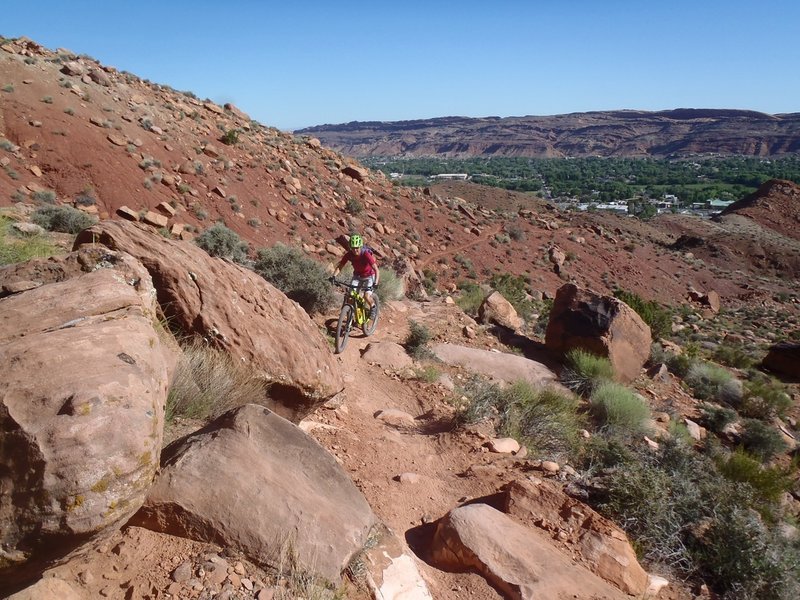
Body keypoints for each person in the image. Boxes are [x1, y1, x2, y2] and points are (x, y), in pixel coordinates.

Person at [331, 234, 379, 318]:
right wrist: (333, 276)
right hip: (357, 276)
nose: (355, 250)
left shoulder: (366, 254)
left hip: (369, 276)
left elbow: (376, 269)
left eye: (357, 247)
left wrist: (376, 283)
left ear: (360, 246)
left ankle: (373, 307)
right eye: (353, 248)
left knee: (366, 296)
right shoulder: (349, 255)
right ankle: (350, 317)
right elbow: (340, 266)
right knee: (351, 296)